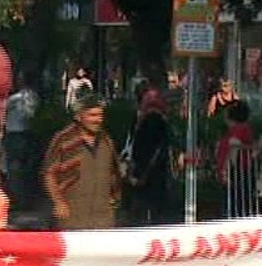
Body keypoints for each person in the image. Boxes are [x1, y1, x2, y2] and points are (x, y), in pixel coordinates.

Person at [42, 92, 123, 229]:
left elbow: (113, 171)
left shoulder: (106, 140)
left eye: (100, 115)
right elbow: (49, 173)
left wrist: (114, 197)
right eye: (92, 115)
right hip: (73, 213)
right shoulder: (64, 140)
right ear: (78, 117)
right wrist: (58, 202)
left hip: (103, 215)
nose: (98, 120)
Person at [127, 88, 173, 226]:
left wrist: (137, 171)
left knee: (143, 205)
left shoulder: (144, 120)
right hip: (157, 169)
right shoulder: (161, 120)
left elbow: (140, 146)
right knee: (156, 208)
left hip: (145, 169)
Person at [2, 74, 39, 203]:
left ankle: (16, 198)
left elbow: (2, 107)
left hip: (14, 134)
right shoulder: (33, 96)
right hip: (26, 133)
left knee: (13, 167)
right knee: (24, 167)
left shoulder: (16, 98)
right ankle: (24, 198)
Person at [216, 100, 256, 214]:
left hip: (237, 172)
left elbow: (234, 147)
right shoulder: (235, 130)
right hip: (238, 172)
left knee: (234, 206)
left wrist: (228, 169)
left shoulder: (239, 129)